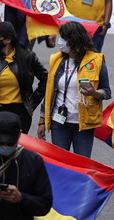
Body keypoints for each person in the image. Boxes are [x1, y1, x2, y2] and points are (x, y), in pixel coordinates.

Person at [39, 21, 109, 158]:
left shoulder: (96, 61)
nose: (60, 41)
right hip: (59, 122)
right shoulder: (56, 60)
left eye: (63, 38)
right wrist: (42, 121)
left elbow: (106, 92)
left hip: (83, 124)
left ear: (73, 40)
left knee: (82, 165)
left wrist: (94, 93)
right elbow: (49, 93)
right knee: (59, 163)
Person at [0, 21, 48, 133]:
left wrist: (31, 102)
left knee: (16, 147)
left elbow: (46, 79)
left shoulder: (28, 57)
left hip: (19, 114)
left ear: (8, 40)